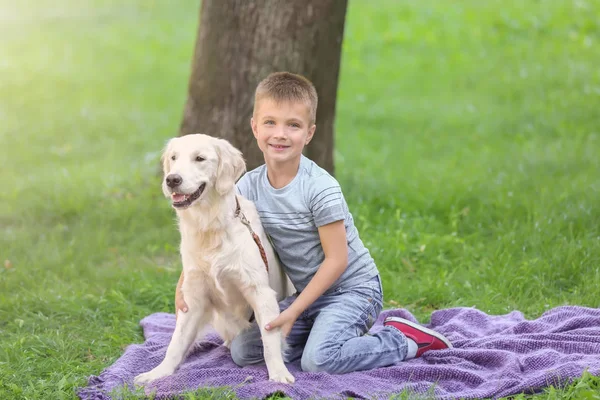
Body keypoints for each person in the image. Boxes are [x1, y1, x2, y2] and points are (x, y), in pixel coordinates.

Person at [175, 72, 452, 374]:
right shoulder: (246, 187)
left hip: (353, 290)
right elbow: (216, 235)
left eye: (293, 125)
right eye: (270, 122)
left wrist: (293, 311)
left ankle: (401, 339)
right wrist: (184, 282)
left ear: (309, 133)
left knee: (318, 361)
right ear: (255, 127)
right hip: (307, 296)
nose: (280, 134)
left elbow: (337, 261)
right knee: (243, 351)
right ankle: (327, 335)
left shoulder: (320, 188)